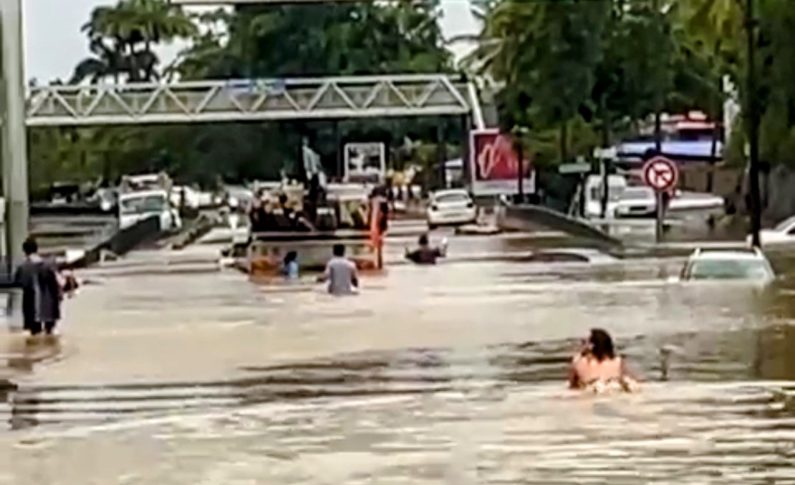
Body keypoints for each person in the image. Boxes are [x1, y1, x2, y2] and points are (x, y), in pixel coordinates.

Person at [13, 238, 62, 337]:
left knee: (34, 336)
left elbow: (19, 283)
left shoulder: (23, 267)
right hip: (50, 306)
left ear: (24, 251)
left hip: (32, 307)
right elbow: (57, 283)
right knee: (51, 334)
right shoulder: (48, 265)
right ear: (37, 249)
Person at [568, 328, 638, 393]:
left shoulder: (579, 361)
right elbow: (630, 379)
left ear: (590, 346)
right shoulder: (617, 361)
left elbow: (572, 386)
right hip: (613, 389)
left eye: (584, 342)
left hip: (591, 390)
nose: (582, 344)